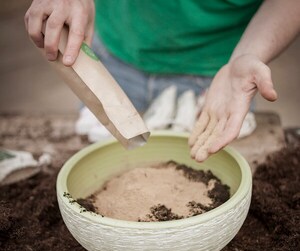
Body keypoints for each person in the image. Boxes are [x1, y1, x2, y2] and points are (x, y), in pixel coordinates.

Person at [24, 0, 300, 162]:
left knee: (203, 162)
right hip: (112, 61)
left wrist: (250, 54)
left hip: (219, 78)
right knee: (106, 157)